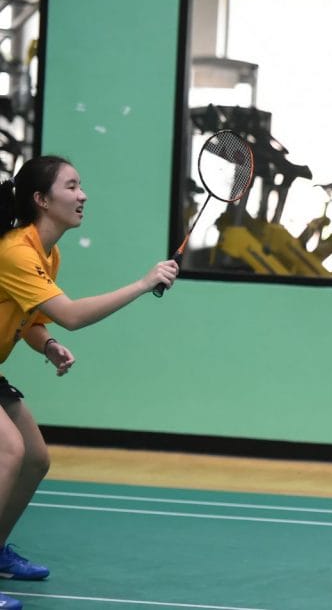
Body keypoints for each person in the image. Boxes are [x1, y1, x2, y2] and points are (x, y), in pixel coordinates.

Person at [0, 155, 179, 610]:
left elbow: (32, 319)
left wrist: (47, 345)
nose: (83, 195)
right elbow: (73, 315)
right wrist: (142, 283)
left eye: (81, 186)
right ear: (41, 199)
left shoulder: (48, 253)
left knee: (35, 459)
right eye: (72, 186)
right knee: (9, 451)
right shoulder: (16, 251)